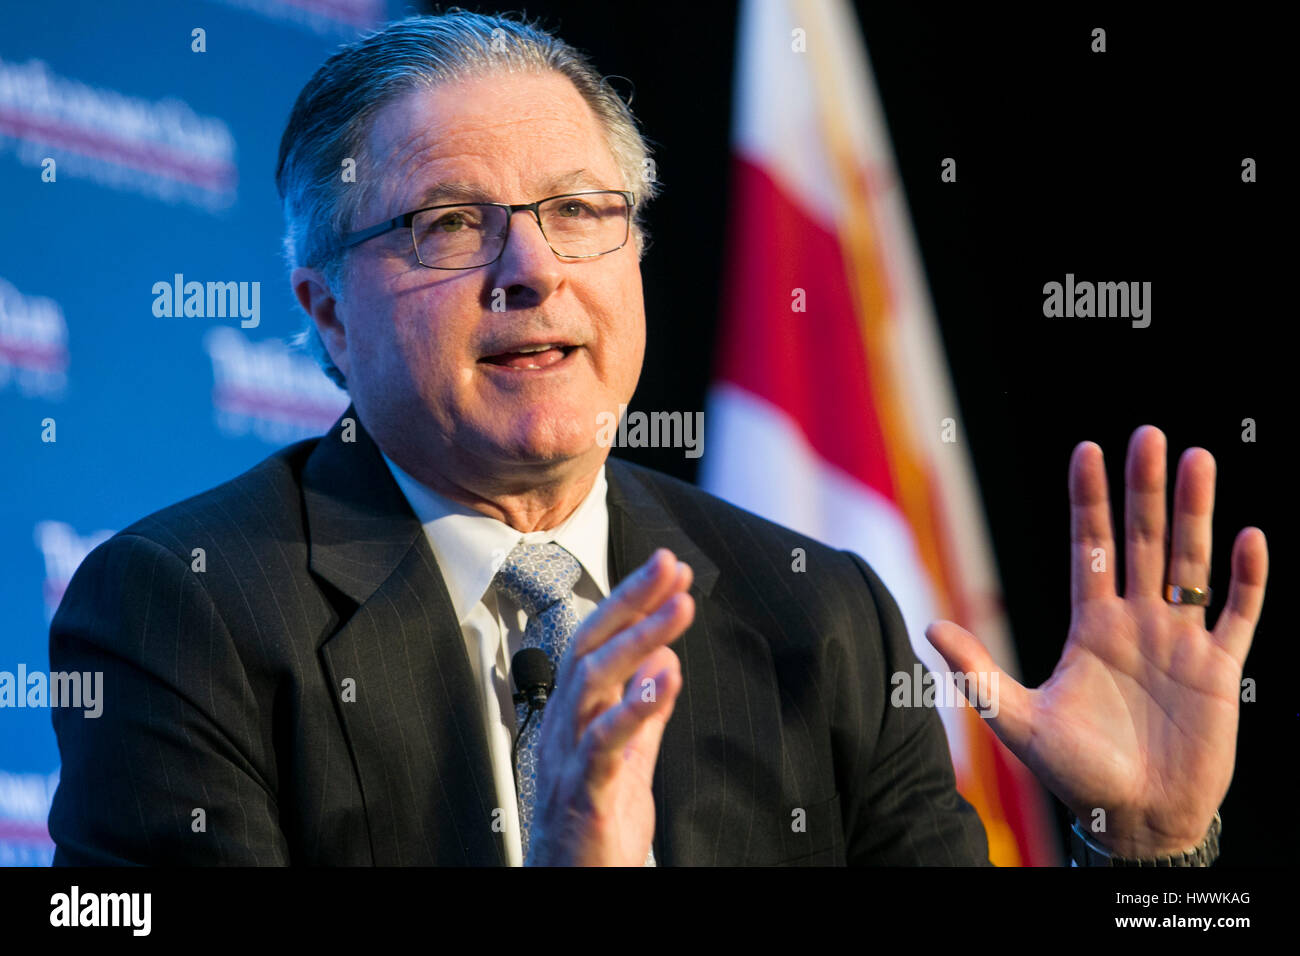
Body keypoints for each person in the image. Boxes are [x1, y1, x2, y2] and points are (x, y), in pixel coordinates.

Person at [47, 12, 1267, 866]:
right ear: (323, 313)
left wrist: (1146, 855)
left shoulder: (816, 609)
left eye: (581, 212)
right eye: (449, 222)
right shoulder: (185, 609)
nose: (531, 270)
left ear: (633, 254)